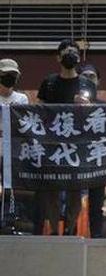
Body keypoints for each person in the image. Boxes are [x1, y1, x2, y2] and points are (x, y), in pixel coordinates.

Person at [35, 39, 97, 235]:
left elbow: (95, 116)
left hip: (77, 144)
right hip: (52, 143)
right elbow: (39, 109)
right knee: (52, 188)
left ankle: (70, 229)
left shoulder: (87, 84)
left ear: (78, 58)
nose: (70, 54)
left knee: (75, 189)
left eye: (74, 51)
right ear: (58, 57)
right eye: (66, 51)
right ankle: (54, 229)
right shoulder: (49, 82)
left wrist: (86, 106)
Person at [79, 64, 106, 239]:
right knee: (73, 201)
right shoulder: (70, 104)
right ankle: (71, 234)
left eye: (92, 76)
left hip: (97, 159)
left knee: (96, 202)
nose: (88, 79)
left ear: (98, 81)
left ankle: (96, 235)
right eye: (84, 76)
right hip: (75, 159)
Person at [0, 59, 30, 234]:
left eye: (12, 75)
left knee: (10, 189)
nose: (9, 78)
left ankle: (9, 222)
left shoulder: (22, 98)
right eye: (6, 75)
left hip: (13, 152)